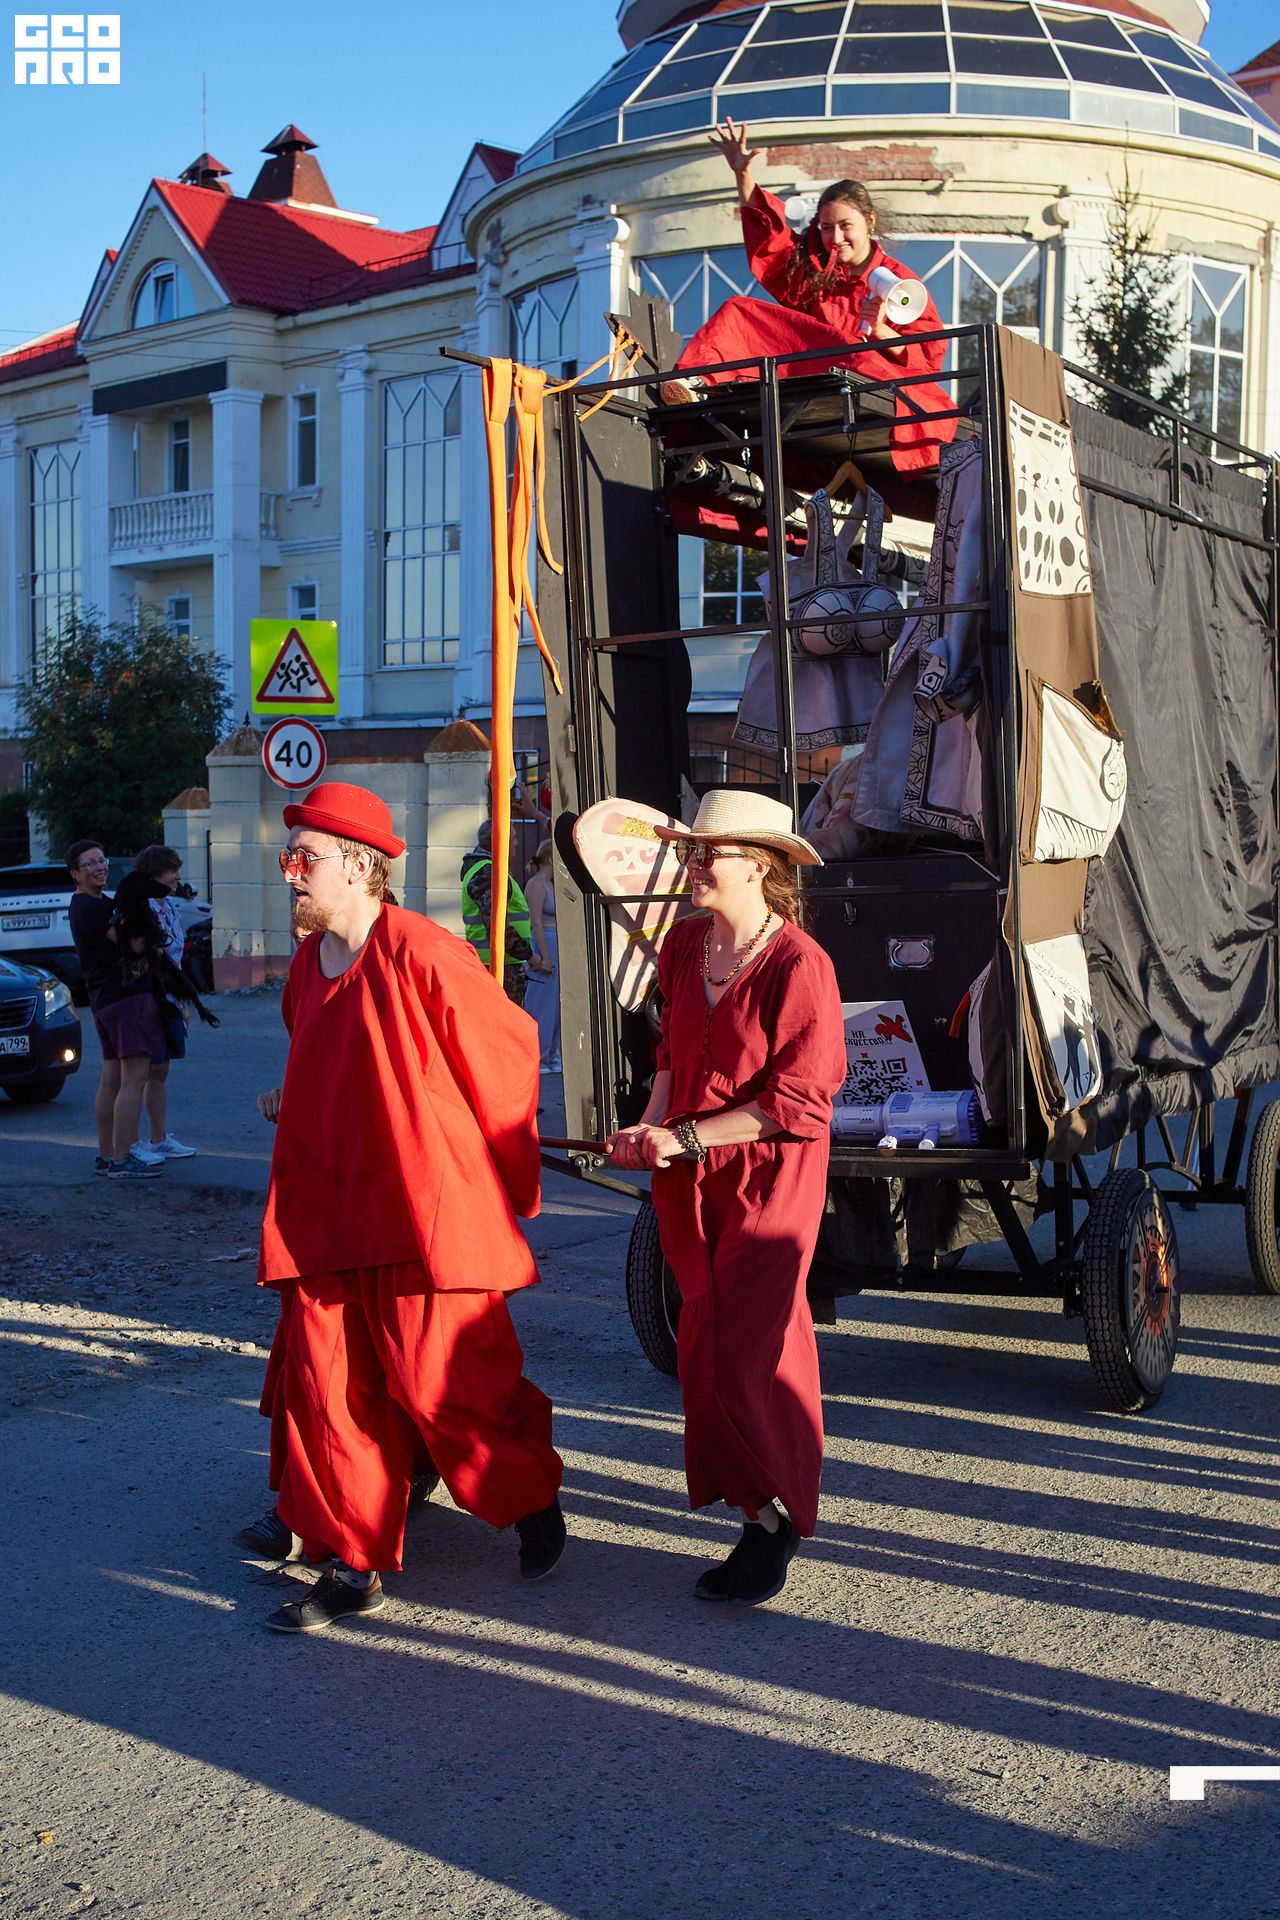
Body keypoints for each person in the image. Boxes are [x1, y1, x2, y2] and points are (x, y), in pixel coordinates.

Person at [237, 781, 565, 1634]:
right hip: (325, 1214)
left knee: (451, 1385)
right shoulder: (307, 968)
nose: (290, 874)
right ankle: (354, 1562)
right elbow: (331, 1063)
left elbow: (505, 1059)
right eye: (289, 857)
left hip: (425, 1215)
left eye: (301, 858)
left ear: (359, 866)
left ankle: (530, 1497)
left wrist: (506, 1180)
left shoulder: (424, 950)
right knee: (333, 1394)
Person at [605, 791, 846, 1609]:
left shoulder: (800, 965)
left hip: (769, 1181)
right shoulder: (681, 947)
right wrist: (644, 1129)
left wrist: (690, 1137)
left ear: (762, 866)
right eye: (693, 850)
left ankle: (778, 1516)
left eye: (712, 852)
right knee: (703, 1350)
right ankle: (750, 1505)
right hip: (689, 1175)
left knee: (752, 1350)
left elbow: (799, 1100)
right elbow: (671, 1057)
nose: (695, 864)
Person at [663, 122, 955, 476]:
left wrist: (880, 330)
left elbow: (926, 358)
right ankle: (697, 381)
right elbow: (771, 246)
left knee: (858, 359)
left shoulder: (901, 281)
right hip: (813, 363)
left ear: (869, 222)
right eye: (827, 228)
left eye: (846, 226)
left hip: (866, 370)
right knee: (739, 310)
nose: (836, 237)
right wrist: (743, 175)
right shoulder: (815, 269)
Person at [66, 839, 164, 1180]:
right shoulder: (91, 908)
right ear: (75, 873)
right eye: (90, 863)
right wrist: (153, 935)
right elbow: (133, 943)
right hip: (125, 998)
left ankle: (107, 1155)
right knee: (134, 1080)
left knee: (111, 1080)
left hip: (103, 1000)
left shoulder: (89, 904)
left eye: (102, 859)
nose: (100, 866)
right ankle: (123, 1159)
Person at [128, 845, 197, 1161]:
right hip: (147, 998)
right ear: (155, 874)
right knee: (137, 1073)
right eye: (172, 871)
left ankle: (158, 1139)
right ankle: (131, 1145)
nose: (178, 876)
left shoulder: (169, 906)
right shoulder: (140, 907)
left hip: (170, 997)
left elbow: (175, 958)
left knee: (160, 1070)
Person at [461, 817, 534, 1008]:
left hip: (500, 964)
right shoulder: (488, 872)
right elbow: (497, 925)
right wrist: (529, 956)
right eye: (513, 838)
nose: (516, 843)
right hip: (498, 968)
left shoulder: (487, 870)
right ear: (500, 840)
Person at [523, 838, 561, 1075]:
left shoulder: (552, 885)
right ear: (550, 859)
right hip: (545, 943)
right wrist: (545, 957)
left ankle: (552, 1054)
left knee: (556, 1005)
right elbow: (535, 923)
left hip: (557, 945)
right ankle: (539, 1057)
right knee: (543, 1005)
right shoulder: (536, 885)